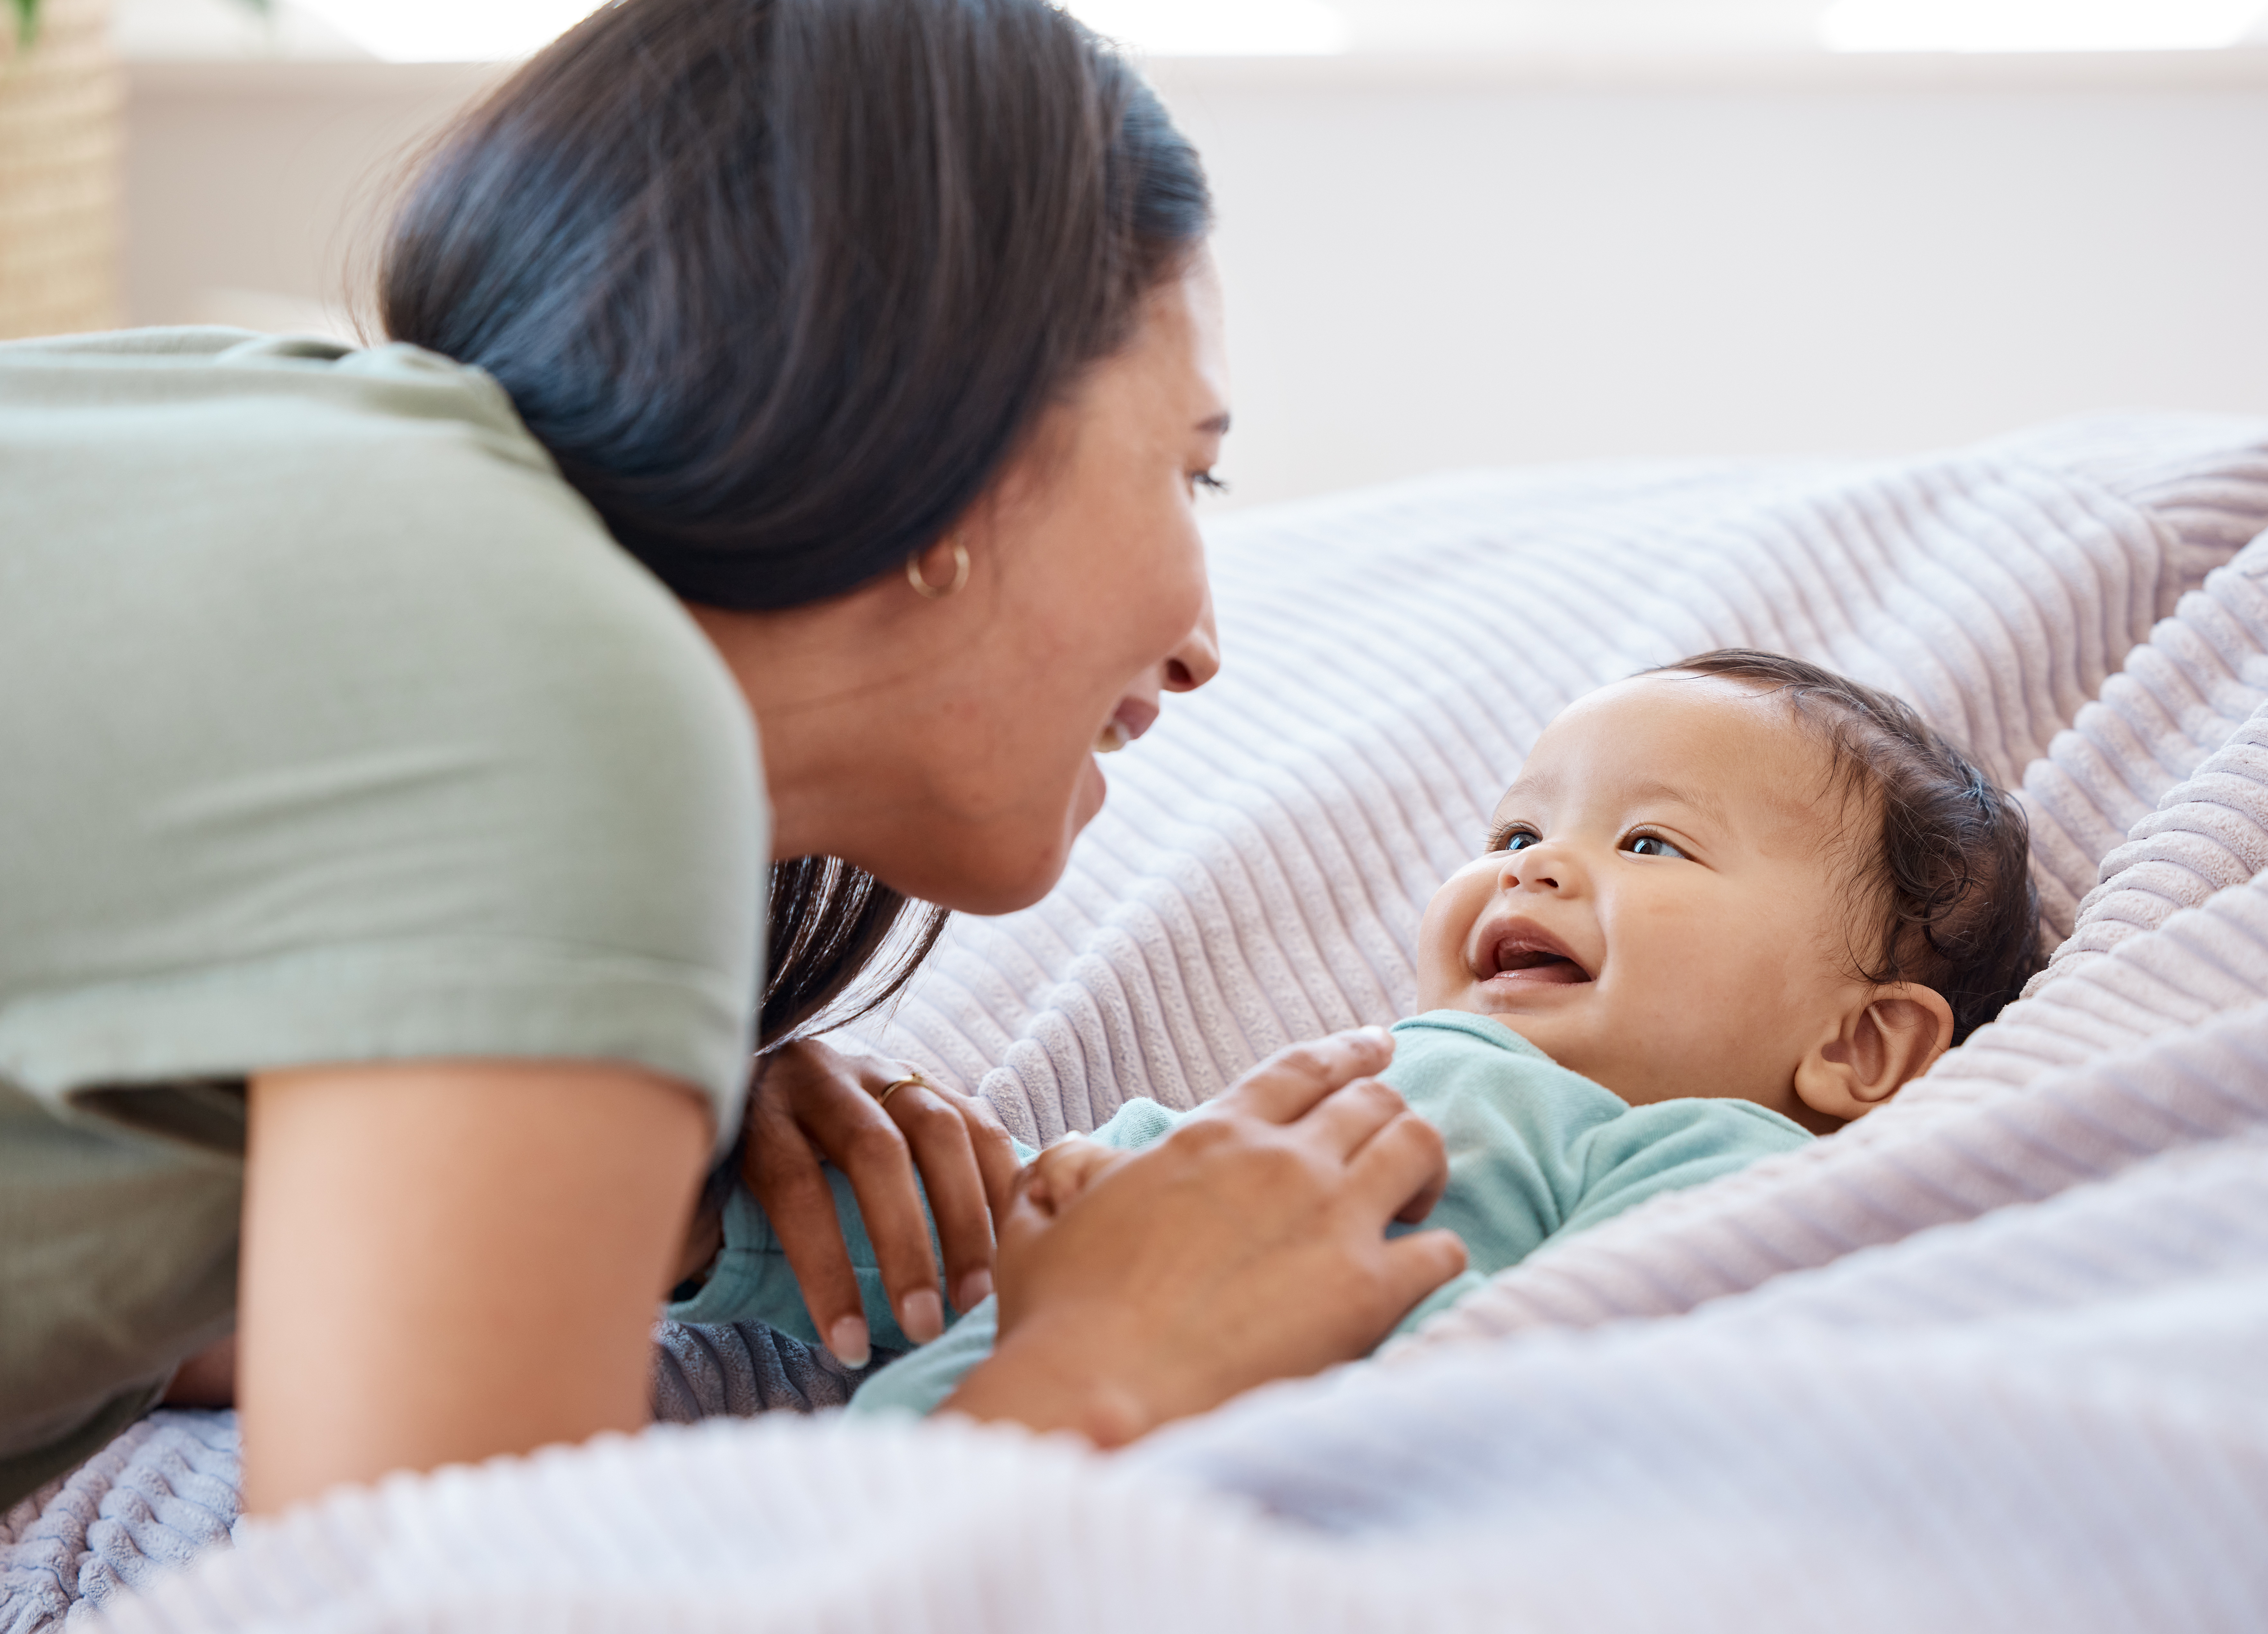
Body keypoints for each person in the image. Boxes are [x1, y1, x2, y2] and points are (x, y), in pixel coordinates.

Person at [0, 0, 1470, 1514]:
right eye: (1191, 468)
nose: (1200, 643)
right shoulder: (562, 700)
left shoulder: (271, 448)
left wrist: (609, 1169)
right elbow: (411, 1603)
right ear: (953, 432)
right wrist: (1093, 1373)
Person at [694, 651, 2045, 1417]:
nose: (1531, 869)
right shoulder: (1323, 1084)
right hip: (898, 1511)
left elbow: (1598, 1389)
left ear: (1861, 1049)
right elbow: (987, 1252)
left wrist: (1289, 1315)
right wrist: (717, 1211)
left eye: (1649, 841)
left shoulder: (1705, 1153)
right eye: (1516, 832)